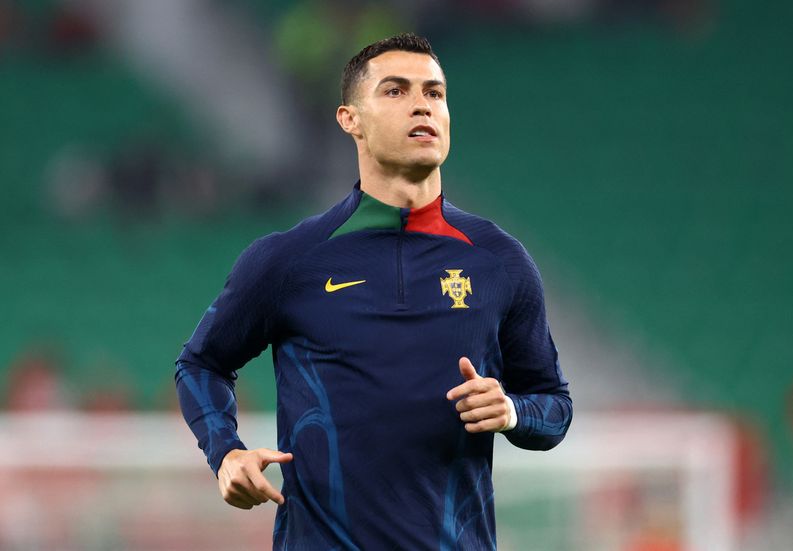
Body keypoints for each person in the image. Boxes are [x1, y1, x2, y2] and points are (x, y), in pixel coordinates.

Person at [175, 32, 572, 550]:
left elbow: (554, 406)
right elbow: (200, 364)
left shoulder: (499, 261)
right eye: (395, 91)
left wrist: (512, 411)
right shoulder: (290, 260)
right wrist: (226, 452)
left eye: (434, 92)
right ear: (350, 119)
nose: (421, 106)